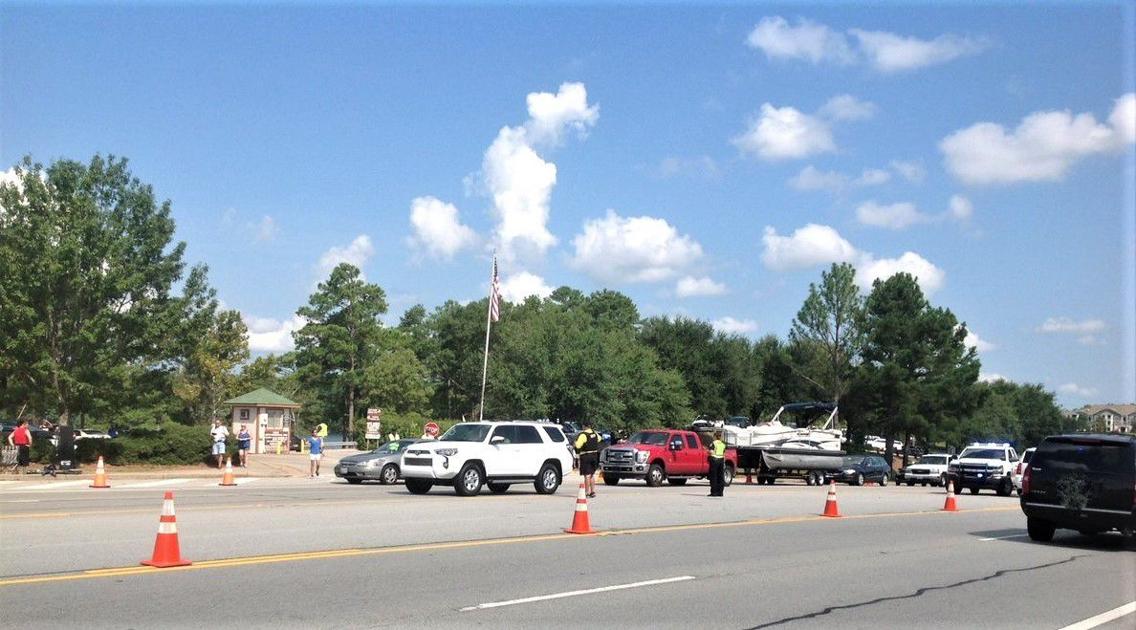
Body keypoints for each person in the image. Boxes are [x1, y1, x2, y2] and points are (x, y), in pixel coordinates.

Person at [574, 421, 602, 498]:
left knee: (587, 475)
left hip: (586, 456)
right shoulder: (594, 433)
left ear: (584, 426)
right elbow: (599, 439)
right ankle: (593, 492)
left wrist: (574, 443)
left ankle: (586, 492)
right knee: (592, 474)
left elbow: (578, 446)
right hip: (595, 455)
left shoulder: (583, 435)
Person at [708, 430, 727, 497]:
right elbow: (724, 453)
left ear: (715, 436)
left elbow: (711, 452)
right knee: (720, 477)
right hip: (721, 460)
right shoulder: (723, 444)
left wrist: (708, 452)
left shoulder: (713, 443)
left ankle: (714, 492)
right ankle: (720, 492)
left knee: (714, 477)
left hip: (714, 460)